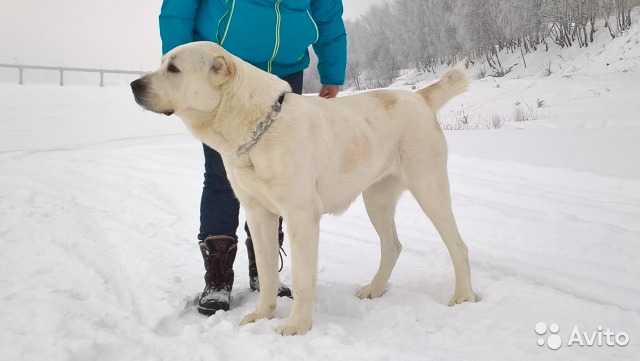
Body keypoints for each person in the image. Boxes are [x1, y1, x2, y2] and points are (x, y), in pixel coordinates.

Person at [159, 0, 347, 315]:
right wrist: (180, 70)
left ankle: (266, 272)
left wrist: (333, 69)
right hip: (224, 73)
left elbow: (328, 13)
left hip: (286, 70)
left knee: (284, 179)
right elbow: (178, 8)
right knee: (222, 176)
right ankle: (218, 276)